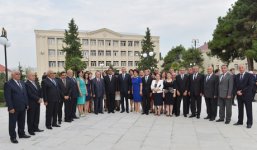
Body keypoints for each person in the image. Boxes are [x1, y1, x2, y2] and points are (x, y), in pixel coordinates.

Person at [4, 71, 30, 143]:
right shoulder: (8, 84)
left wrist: (27, 104)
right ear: (12, 75)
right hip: (14, 108)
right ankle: (13, 137)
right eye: (16, 74)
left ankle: (21, 134)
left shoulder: (22, 82)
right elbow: (7, 97)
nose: (19, 75)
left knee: (22, 122)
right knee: (13, 123)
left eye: (19, 74)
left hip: (23, 106)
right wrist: (10, 107)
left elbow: (25, 94)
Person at [25, 72, 44, 136]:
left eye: (34, 76)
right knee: (31, 117)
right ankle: (30, 130)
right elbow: (29, 94)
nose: (34, 77)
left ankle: (36, 128)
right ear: (28, 76)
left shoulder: (36, 82)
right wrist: (38, 99)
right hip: (31, 103)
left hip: (37, 102)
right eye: (32, 75)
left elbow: (40, 90)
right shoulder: (26, 84)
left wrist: (41, 97)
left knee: (36, 116)